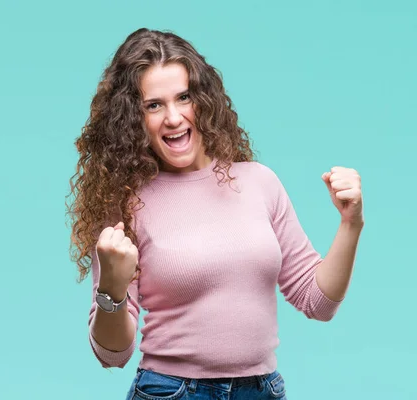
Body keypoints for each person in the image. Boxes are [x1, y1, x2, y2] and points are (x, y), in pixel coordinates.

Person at [66, 28, 363, 400]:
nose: (173, 117)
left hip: (263, 390)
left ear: (203, 100)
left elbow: (317, 302)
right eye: (153, 105)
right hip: (170, 391)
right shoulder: (126, 205)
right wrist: (111, 286)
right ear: (132, 119)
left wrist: (351, 223)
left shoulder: (259, 182)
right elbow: (113, 353)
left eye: (184, 97)